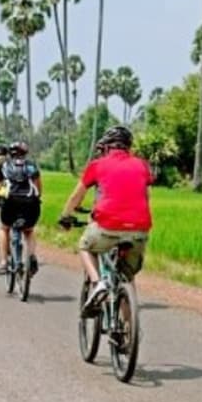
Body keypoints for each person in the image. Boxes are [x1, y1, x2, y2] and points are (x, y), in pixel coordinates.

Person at [59, 126, 153, 315]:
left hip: (107, 225)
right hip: (140, 229)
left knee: (85, 247)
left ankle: (97, 283)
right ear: (128, 147)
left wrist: (65, 217)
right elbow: (146, 195)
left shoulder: (97, 165)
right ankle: (129, 328)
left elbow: (76, 197)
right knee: (127, 278)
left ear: (107, 147)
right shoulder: (142, 165)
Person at [0, 142, 42, 275]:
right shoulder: (31, 165)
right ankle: (31, 256)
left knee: (4, 228)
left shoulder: (4, 165)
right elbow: (38, 185)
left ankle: (4, 262)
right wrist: (38, 197)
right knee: (29, 230)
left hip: (11, 202)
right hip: (30, 203)